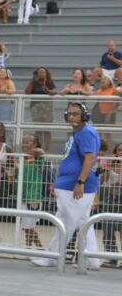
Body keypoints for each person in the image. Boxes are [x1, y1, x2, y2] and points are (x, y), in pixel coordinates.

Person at [31, 101, 103, 270]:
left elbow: (90, 158)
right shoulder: (77, 134)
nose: (71, 117)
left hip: (75, 185)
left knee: (65, 222)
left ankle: (54, 257)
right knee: (83, 222)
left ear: (85, 116)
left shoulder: (86, 132)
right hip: (70, 184)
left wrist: (80, 182)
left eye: (75, 114)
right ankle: (92, 260)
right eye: (69, 114)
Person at [20, 134, 51, 250]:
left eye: (28, 142)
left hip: (34, 195)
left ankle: (34, 248)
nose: (24, 144)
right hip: (23, 195)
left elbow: (41, 152)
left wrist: (33, 152)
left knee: (28, 225)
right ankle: (34, 249)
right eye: (23, 142)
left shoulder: (39, 157)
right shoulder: (22, 158)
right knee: (27, 226)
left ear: (35, 144)